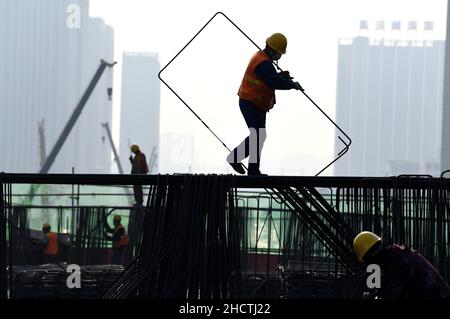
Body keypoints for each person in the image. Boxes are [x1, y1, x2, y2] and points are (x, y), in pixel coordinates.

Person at [227, 33, 303, 176]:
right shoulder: (264, 63)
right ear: (273, 50)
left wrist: (282, 76)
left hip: (256, 103)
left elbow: (270, 78)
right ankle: (237, 159)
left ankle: (252, 169)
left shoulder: (261, 58)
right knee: (257, 135)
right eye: (279, 53)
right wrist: (292, 85)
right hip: (250, 102)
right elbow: (274, 82)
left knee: (259, 135)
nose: (280, 56)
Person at [353, 231, 450, 299]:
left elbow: (392, 293)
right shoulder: (398, 255)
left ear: (370, 256)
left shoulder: (400, 264)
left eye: (367, 261)